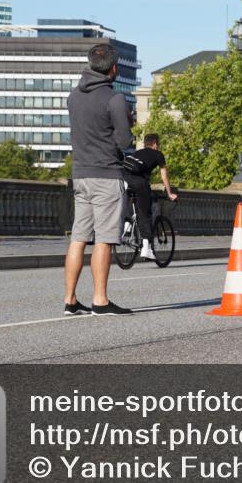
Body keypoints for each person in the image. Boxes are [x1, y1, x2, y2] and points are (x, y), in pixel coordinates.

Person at [63, 44, 135, 316]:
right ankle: (100, 300)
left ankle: (70, 300)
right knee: (104, 238)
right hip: (106, 174)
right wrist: (127, 123)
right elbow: (125, 141)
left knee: (79, 238)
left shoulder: (73, 96)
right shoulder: (114, 99)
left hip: (80, 174)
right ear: (114, 68)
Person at [122, 134, 178, 260]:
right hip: (140, 183)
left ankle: (128, 224)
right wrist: (169, 193)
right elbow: (164, 176)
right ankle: (146, 248)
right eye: (158, 144)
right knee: (145, 213)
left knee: (133, 201)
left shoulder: (137, 153)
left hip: (124, 179)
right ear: (155, 144)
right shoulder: (158, 154)